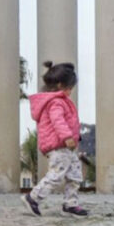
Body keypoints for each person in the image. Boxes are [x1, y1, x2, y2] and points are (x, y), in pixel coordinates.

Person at [22, 62, 88, 217]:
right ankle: (33, 198)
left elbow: (68, 122)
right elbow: (58, 121)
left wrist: (75, 136)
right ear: (60, 85)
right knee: (56, 175)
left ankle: (70, 204)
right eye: (70, 88)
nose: (71, 91)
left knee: (75, 175)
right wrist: (67, 137)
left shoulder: (60, 101)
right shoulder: (55, 102)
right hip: (59, 146)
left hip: (67, 147)